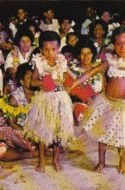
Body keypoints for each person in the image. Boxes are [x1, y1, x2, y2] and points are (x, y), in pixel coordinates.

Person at [69, 26, 125, 174]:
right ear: (114, 45)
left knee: (122, 134)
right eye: (119, 44)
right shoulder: (110, 61)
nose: (123, 47)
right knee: (102, 132)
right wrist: (74, 83)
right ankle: (101, 162)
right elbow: (92, 71)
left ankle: (122, 161)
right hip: (106, 102)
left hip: (123, 105)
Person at [24, 31, 75, 172]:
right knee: (43, 131)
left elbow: (72, 76)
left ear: (58, 48)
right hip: (45, 99)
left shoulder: (61, 62)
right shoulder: (39, 63)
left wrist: (71, 84)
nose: (50, 53)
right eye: (46, 49)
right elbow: (32, 83)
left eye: (53, 49)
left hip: (60, 99)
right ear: (41, 49)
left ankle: (55, 159)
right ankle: (41, 160)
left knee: (58, 131)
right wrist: (45, 81)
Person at [4, 29, 35, 95]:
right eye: (22, 41)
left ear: (31, 42)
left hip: (32, 85)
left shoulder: (36, 53)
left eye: (28, 41)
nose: (25, 43)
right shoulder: (12, 54)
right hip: (16, 84)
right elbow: (11, 73)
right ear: (18, 42)